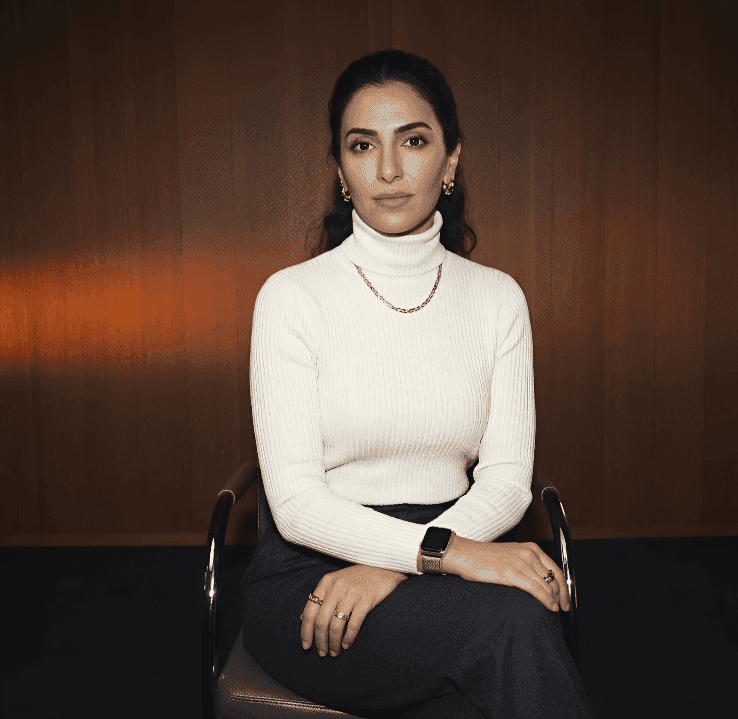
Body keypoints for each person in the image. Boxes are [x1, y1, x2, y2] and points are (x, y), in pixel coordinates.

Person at [242, 49, 593, 719]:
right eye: (362, 145)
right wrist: (438, 556)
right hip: (313, 576)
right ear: (341, 171)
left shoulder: (497, 299)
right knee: (511, 628)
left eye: (414, 140)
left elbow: (506, 480)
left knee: (507, 640)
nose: (390, 169)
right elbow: (294, 504)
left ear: (451, 159)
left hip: (447, 540)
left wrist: (403, 561)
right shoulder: (291, 298)